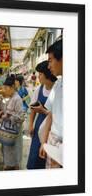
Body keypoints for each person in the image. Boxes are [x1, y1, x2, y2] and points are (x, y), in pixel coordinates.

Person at [35, 39, 63, 168]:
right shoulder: (58, 84)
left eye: (51, 60)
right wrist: (44, 142)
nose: (49, 65)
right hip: (53, 139)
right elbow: (51, 115)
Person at [27, 60, 57, 169]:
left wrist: (44, 111)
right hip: (39, 125)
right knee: (35, 153)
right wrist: (31, 125)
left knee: (47, 156)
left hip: (52, 128)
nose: (38, 77)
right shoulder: (39, 90)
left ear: (47, 74)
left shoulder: (57, 89)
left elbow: (57, 114)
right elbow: (33, 110)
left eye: (40, 74)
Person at [0, 76, 24, 170]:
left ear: (12, 87)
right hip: (8, 130)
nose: (4, 90)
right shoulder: (10, 97)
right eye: (4, 88)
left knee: (15, 150)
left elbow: (21, 117)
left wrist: (9, 117)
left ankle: (15, 166)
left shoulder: (17, 99)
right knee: (7, 148)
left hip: (14, 131)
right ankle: (9, 164)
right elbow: (7, 110)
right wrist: (3, 113)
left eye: (6, 88)